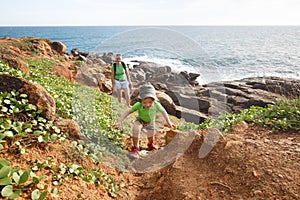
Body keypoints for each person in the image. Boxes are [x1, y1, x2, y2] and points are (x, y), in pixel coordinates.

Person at [112, 83, 176, 159]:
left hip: (150, 123)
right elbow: (128, 111)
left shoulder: (156, 104)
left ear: (154, 100)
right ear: (141, 100)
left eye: (150, 102)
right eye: (144, 102)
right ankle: (135, 148)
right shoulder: (138, 105)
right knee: (136, 128)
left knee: (150, 136)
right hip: (141, 120)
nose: (147, 105)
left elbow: (163, 112)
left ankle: (150, 144)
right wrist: (119, 121)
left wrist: (169, 122)